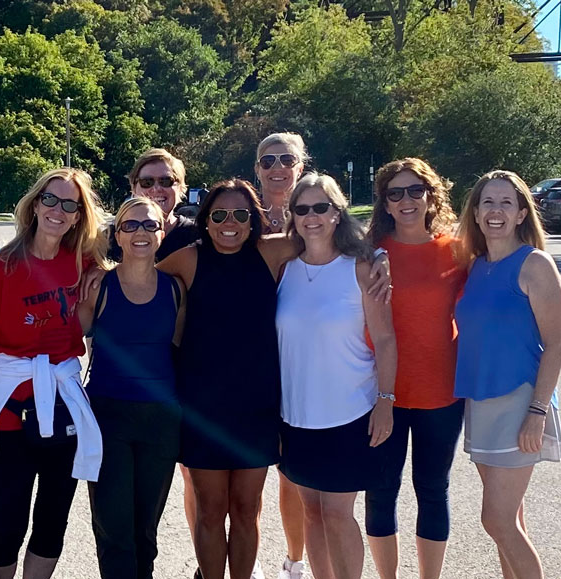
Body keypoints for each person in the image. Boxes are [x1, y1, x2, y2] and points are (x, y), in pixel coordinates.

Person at [157, 180, 391, 579]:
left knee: (248, 510)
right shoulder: (188, 260)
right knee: (211, 510)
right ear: (206, 221)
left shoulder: (271, 252)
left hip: (259, 407)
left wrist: (378, 254)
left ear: (254, 222)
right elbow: (137, 274)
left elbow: (328, 231)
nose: (229, 223)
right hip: (202, 407)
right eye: (219, 215)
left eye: (240, 215)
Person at [0, 167, 108, 579]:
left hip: (62, 401)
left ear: (78, 216)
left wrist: (94, 295)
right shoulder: (2, 267)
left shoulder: (83, 264)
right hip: (11, 410)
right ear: (35, 204)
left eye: (69, 205)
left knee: (52, 521)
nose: (57, 210)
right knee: (7, 522)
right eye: (50, 199)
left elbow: (79, 326)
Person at [276, 174, 398, 579]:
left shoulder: (362, 267)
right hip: (296, 415)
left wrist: (386, 401)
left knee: (337, 513)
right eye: (302, 209)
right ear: (291, 216)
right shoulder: (283, 268)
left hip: (349, 411)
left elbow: (384, 339)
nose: (312, 217)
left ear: (337, 211)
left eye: (321, 207)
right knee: (311, 511)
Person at [454, 170, 561, 579]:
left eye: (506, 203)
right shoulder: (476, 266)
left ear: (521, 214)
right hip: (481, 404)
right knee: (510, 521)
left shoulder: (535, 264)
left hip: (521, 404)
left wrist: (537, 412)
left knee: (496, 521)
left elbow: (557, 344)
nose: (495, 211)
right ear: (477, 213)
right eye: (488, 203)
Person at [363, 158, 468, 579]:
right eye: (395, 193)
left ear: (431, 196)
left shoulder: (458, 251)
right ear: (385, 204)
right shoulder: (368, 252)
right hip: (380, 393)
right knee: (380, 492)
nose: (406, 200)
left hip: (440, 393)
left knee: (432, 489)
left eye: (414, 191)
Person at [79, 197, 186, 579]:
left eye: (149, 225)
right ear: (117, 235)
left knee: (146, 529)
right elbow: (71, 337)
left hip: (161, 420)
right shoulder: (98, 285)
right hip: (108, 416)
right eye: (130, 225)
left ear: (163, 232)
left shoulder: (175, 290)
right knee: (113, 527)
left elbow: (179, 347)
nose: (140, 232)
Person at [254, 131, 309, 579]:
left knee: (293, 473)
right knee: (241, 470)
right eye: (268, 159)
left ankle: (296, 560)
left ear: (301, 166)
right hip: (248, 359)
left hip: (302, 360)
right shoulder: (241, 216)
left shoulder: (317, 214)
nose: (277, 166)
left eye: (286, 158)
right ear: (257, 169)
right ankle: (232, 563)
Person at [109, 148, 199, 263]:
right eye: (147, 182)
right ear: (134, 188)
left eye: (166, 181)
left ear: (180, 187)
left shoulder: (196, 237)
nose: (156, 189)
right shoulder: (110, 238)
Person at [255, 132, 308, 236]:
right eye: (268, 161)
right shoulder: (244, 214)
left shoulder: (311, 213)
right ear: (257, 170)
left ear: (300, 169)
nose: (278, 168)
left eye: (288, 161)